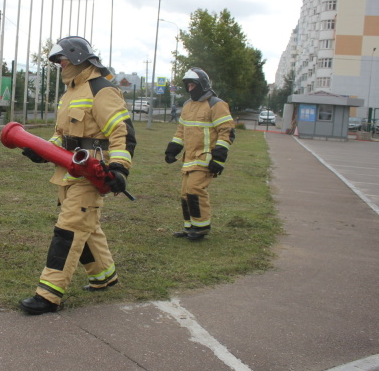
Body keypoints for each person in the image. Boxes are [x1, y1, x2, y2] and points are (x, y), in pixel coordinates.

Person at [18, 36, 136, 315]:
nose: (60, 66)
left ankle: (48, 294)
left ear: (78, 58)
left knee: (69, 229)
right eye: (59, 62)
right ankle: (104, 277)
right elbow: (65, 137)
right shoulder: (72, 91)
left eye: (63, 60)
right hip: (68, 172)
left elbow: (122, 133)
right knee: (86, 226)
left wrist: (118, 169)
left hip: (93, 174)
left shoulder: (101, 90)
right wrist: (44, 150)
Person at [164, 68, 234, 241]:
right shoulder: (188, 106)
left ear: (202, 84)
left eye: (193, 84)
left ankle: (201, 227)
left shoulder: (216, 104)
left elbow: (227, 132)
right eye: (187, 84)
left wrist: (218, 158)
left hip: (206, 158)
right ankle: (190, 227)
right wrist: (173, 149)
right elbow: (181, 131)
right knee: (185, 193)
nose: (189, 88)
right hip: (189, 158)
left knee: (194, 189)